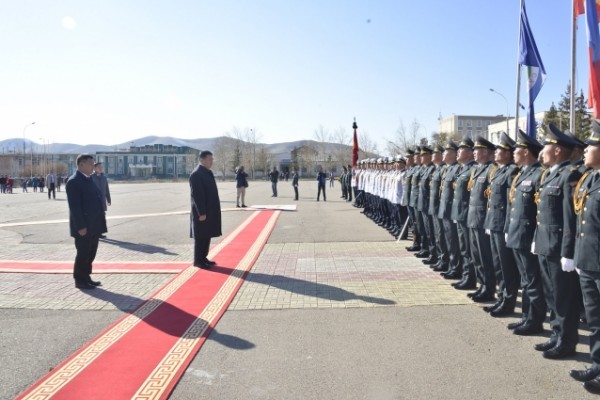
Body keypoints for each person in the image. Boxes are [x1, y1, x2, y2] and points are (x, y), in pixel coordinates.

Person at [532, 123, 582, 359]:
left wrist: (568, 251)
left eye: (547, 145)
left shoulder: (569, 175)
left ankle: (566, 340)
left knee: (563, 297)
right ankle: (556, 334)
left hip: (557, 246)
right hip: (544, 242)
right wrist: (536, 238)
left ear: (558, 150)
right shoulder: (549, 174)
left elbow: (570, 218)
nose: (543, 150)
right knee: (551, 294)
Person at [571, 120, 600, 391]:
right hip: (589, 261)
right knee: (595, 319)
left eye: (591, 145)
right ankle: (598, 366)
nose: (586, 149)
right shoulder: (590, 178)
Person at [66, 154, 107, 289]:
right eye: (90, 164)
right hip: (83, 227)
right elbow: (75, 207)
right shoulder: (74, 181)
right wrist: (81, 226)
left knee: (91, 252)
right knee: (83, 253)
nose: (93, 167)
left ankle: (86, 276)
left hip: (94, 225)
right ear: (81, 165)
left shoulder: (89, 179)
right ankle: (79, 279)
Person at [190, 150, 222, 269]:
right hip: (201, 212)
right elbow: (197, 195)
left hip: (210, 210)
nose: (211, 161)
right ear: (202, 160)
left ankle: (203, 258)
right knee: (200, 236)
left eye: (212, 159)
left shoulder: (207, 172)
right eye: (209, 159)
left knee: (206, 234)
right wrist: (201, 212)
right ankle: (198, 260)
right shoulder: (197, 174)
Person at [91, 162, 112, 239]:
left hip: (102, 201)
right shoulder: (91, 177)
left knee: (101, 217)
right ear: (94, 168)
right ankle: (94, 232)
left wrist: (108, 199)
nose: (100, 168)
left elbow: (107, 189)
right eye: (99, 167)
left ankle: (99, 233)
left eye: (101, 167)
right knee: (94, 218)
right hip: (94, 202)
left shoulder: (104, 177)